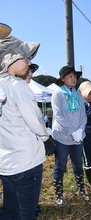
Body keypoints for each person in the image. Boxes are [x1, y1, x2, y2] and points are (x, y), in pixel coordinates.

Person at [0, 35, 50, 219]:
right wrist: (47, 137)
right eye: (26, 58)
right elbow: (35, 121)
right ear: (10, 57)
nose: (29, 63)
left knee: (9, 208)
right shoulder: (17, 85)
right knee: (26, 211)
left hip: (5, 160)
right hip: (25, 159)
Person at [51, 66, 90, 206]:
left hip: (78, 137)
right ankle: (59, 195)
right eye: (70, 76)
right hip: (62, 136)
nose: (73, 79)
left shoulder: (79, 95)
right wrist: (72, 131)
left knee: (78, 164)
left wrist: (80, 130)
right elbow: (59, 116)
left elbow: (83, 116)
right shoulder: (58, 94)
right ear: (63, 79)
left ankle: (81, 190)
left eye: (75, 76)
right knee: (60, 165)